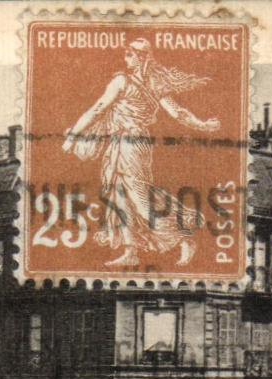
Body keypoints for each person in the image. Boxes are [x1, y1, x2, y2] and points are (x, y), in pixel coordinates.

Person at [60, 37, 222, 269]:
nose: (126, 57)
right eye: (126, 53)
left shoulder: (125, 81)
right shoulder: (142, 82)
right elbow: (179, 113)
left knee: (138, 196)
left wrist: (73, 135)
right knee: (119, 196)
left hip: (132, 143)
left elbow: (98, 109)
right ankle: (131, 250)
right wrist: (203, 125)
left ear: (141, 57)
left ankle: (183, 237)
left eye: (130, 53)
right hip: (121, 142)